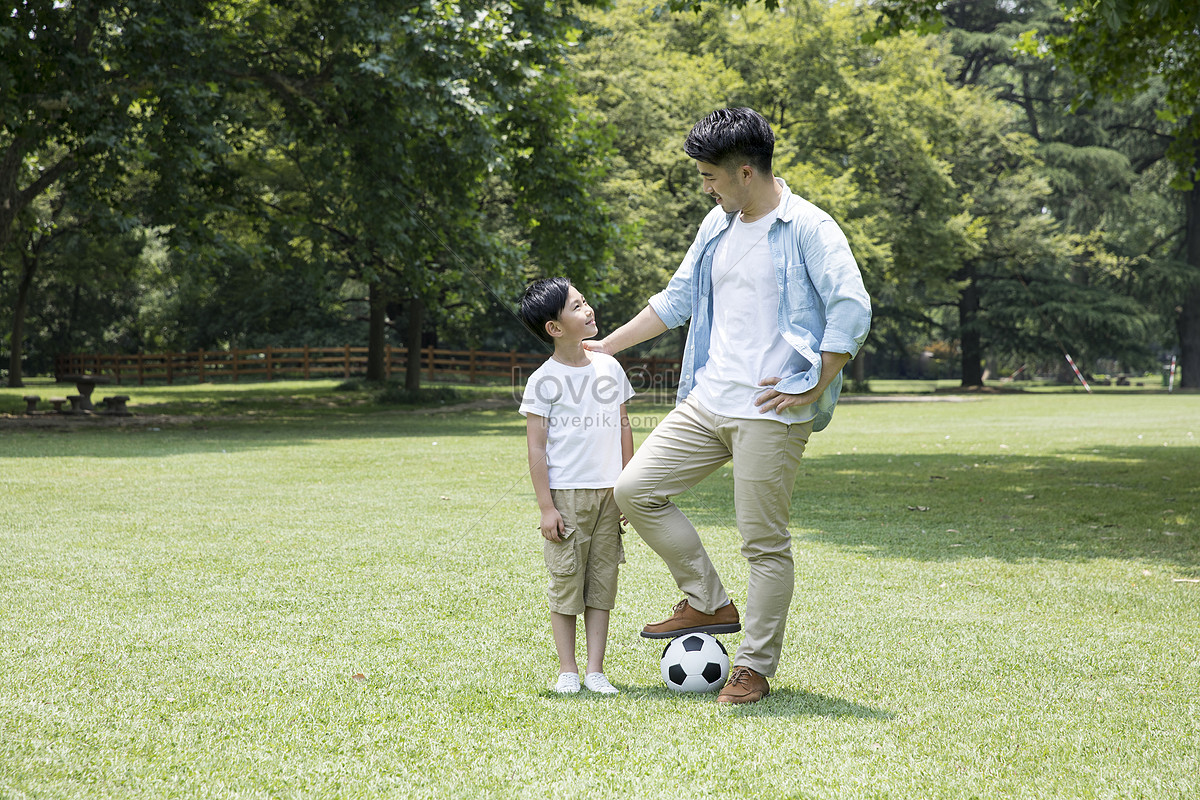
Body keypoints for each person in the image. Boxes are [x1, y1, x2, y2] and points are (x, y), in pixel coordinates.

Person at [585, 108, 871, 704]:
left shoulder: (810, 229)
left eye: (710, 176)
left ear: (745, 171)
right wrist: (603, 348)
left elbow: (851, 307)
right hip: (708, 399)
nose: (705, 187)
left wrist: (815, 384)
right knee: (633, 490)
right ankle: (709, 602)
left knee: (763, 543)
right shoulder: (716, 227)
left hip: (771, 410)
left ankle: (753, 668)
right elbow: (678, 299)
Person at [518, 277, 636, 695]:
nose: (588, 309)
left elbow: (623, 426)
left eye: (585, 301)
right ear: (555, 327)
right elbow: (536, 447)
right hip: (566, 496)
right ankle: (568, 669)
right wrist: (546, 508)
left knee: (602, 582)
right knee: (567, 581)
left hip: (609, 493)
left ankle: (595, 670)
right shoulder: (543, 379)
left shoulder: (610, 366)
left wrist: (628, 486)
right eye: (577, 305)